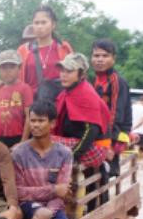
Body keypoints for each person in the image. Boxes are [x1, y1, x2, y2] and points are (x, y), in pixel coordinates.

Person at [53, 53, 110, 169]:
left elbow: (92, 130)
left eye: (69, 71)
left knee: (44, 140)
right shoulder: (69, 91)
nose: (63, 75)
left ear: (81, 74)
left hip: (95, 148)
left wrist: (73, 156)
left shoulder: (85, 94)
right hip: (83, 144)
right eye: (62, 70)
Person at [90, 39, 132, 177]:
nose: (100, 60)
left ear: (113, 59)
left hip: (110, 137)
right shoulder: (91, 81)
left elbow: (115, 115)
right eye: (96, 56)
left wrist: (110, 145)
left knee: (103, 178)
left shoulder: (117, 82)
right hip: (94, 136)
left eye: (105, 56)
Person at [17, 4, 73, 96]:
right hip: (32, 104)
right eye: (36, 23)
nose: (39, 26)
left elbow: (75, 76)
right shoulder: (23, 50)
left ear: (53, 24)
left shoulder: (63, 48)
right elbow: (16, 79)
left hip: (59, 102)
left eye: (43, 22)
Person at [0, 49, 34, 148]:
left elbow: (29, 117)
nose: (8, 71)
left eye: (12, 67)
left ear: (19, 68)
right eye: (4, 68)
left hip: (19, 136)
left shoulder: (25, 88)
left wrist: (23, 142)